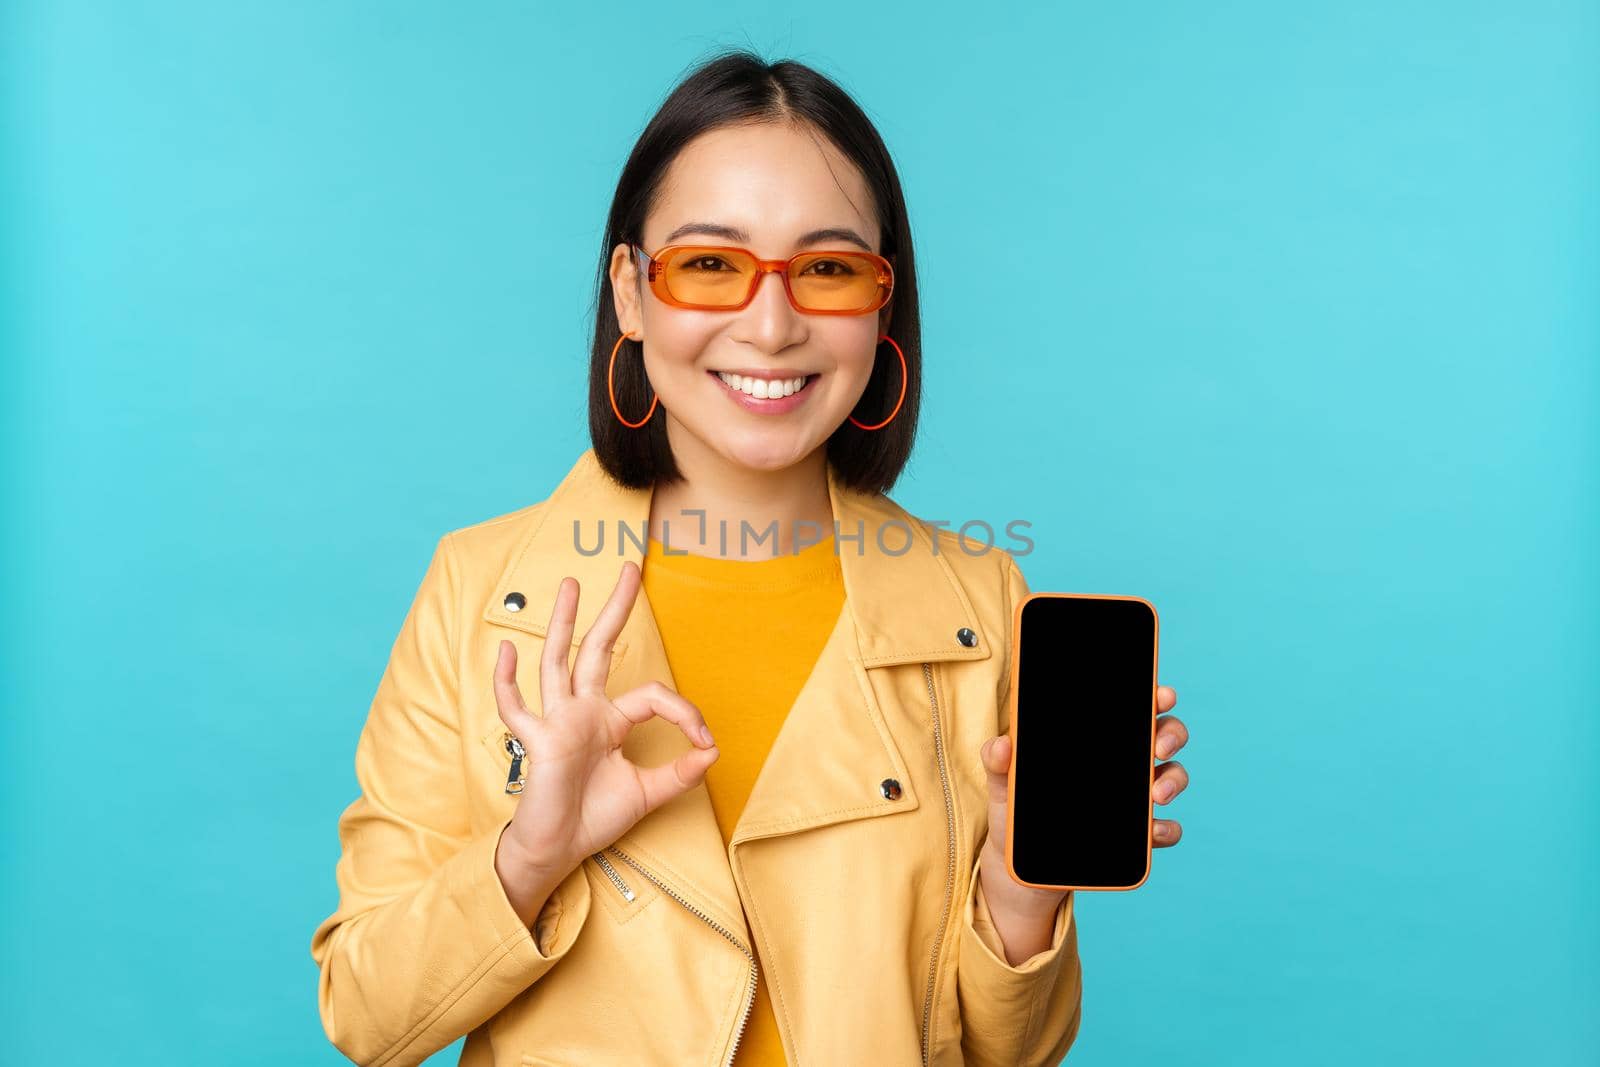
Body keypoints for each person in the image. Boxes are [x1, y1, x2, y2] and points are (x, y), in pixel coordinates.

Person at [309, 49, 1190, 1067]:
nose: (770, 326)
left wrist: (1018, 891)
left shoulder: (982, 603)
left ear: (879, 305)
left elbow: (1013, 1052)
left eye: (826, 269)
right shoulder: (477, 588)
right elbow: (365, 1016)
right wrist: (531, 853)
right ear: (631, 295)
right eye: (710, 265)